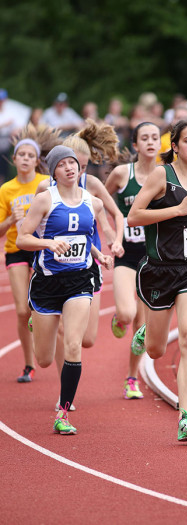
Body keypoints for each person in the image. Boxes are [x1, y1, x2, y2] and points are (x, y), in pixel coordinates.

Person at [127, 119, 187, 441]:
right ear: (175, 146)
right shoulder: (161, 176)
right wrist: (177, 211)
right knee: (155, 350)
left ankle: (186, 417)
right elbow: (134, 216)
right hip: (160, 270)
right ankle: (146, 331)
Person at [16, 145, 113, 434]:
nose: (70, 168)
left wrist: (100, 256)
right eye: (63, 164)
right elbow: (22, 239)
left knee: (73, 345)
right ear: (54, 171)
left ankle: (63, 412)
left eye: (73, 163)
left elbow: (87, 238)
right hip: (47, 283)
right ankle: (38, 320)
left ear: (80, 168)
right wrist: (48, 243)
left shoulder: (93, 203)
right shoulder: (45, 200)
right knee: (44, 359)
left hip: (80, 280)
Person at [0, 125, 62, 382]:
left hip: (40, 249)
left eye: (29, 155)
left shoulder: (46, 184)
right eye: (20, 155)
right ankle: (28, 364)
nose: (25, 159)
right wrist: (10, 221)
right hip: (16, 250)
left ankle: (45, 351)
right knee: (23, 310)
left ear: (37, 161)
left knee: (41, 308)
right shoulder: (6, 190)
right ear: (14, 159)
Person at [105, 122, 161, 400]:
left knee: (143, 330)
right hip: (126, 256)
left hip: (154, 259)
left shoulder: (168, 175)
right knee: (127, 314)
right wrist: (111, 232)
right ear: (136, 145)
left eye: (155, 137)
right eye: (145, 138)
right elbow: (99, 201)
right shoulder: (121, 174)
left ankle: (131, 378)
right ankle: (119, 317)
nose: (151, 142)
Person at [0, 89, 20, 185]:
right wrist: (5, 124)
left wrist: (14, 131)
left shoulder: (10, 112)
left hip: (5, 144)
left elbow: (17, 127)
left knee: (4, 168)